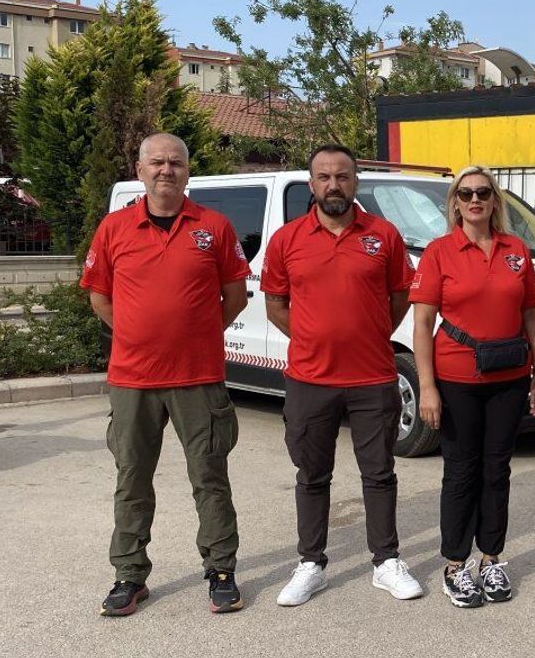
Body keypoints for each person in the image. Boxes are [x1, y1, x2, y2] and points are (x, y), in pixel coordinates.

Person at [82, 132, 250, 617]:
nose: (166, 170)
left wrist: (195, 336)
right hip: (132, 380)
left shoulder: (214, 227)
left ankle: (221, 571)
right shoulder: (114, 228)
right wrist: (138, 335)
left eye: (175, 162)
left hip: (198, 377)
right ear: (140, 171)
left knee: (210, 477)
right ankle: (129, 575)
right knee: (132, 479)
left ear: (187, 171)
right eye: (156, 162)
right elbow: (99, 296)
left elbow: (235, 297)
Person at [262, 144, 421, 606]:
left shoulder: (384, 235)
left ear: (356, 182)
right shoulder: (287, 239)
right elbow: (275, 303)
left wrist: (369, 334)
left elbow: (399, 297)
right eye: (325, 177)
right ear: (311, 184)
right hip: (310, 380)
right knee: (312, 475)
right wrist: (313, 337)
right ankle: (310, 564)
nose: (334, 185)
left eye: (343, 176)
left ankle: (386, 562)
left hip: (372, 377)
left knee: (380, 473)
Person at [410, 166, 535, 608]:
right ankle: (455, 565)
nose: (475, 200)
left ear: (494, 201)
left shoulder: (516, 250)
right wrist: (427, 387)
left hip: (509, 380)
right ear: (455, 203)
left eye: (483, 193)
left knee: (497, 470)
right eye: (466, 193)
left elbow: (532, 313)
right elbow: (422, 323)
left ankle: (491, 558)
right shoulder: (439, 252)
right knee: (461, 472)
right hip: (456, 380)